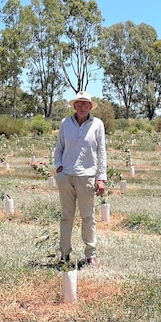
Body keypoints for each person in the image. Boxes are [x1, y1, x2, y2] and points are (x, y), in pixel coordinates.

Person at [54, 91, 107, 268]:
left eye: (86, 104)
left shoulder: (97, 124)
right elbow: (59, 148)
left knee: (88, 217)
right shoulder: (65, 123)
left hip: (87, 177)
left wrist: (101, 177)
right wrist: (59, 167)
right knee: (66, 217)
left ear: (90, 107)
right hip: (66, 176)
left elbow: (101, 152)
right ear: (74, 106)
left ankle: (91, 254)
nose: (82, 106)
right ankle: (64, 254)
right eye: (79, 103)